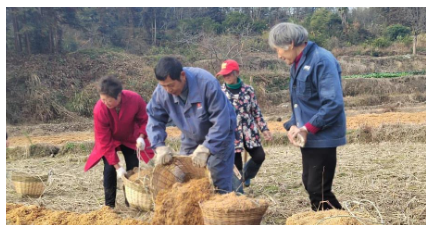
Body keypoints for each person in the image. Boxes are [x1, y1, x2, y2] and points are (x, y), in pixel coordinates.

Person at [268, 22, 346, 211]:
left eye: (278, 49)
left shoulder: (321, 60)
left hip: (322, 136)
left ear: (291, 43)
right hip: (309, 136)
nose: (278, 55)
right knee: (311, 184)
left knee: (318, 189)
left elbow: (333, 103)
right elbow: (301, 103)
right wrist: (293, 125)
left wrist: (306, 128)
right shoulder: (297, 64)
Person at [145, 57, 236, 193]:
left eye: (171, 85)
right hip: (190, 136)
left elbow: (221, 121)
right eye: (164, 86)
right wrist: (159, 146)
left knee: (218, 179)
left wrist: (207, 148)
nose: (168, 90)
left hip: (219, 136)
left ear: (182, 76)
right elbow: (154, 118)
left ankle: (228, 204)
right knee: (183, 174)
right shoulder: (162, 91)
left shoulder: (206, 84)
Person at [84, 76, 154, 208]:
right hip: (110, 138)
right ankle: (109, 205)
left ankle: (131, 202)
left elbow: (145, 119)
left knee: (133, 167)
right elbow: (104, 141)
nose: (105, 102)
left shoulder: (134, 99)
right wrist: (118, 167)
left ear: (119, 96)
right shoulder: (99, 109)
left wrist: (141, 136)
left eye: (108, 100)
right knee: (110, 168)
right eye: (102, 99)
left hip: (130, 136)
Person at [217, 59, 272, 191]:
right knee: (236, 166)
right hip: (231, 133)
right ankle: (239, 195)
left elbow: (256, 111)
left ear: (236, 73)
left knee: (259, 156)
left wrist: (264, 129)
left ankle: (246, 176)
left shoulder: (249, 90)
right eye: (224, 75)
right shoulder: (220, 92)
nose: (226, 77)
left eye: (229, 74)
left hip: (249, 131)